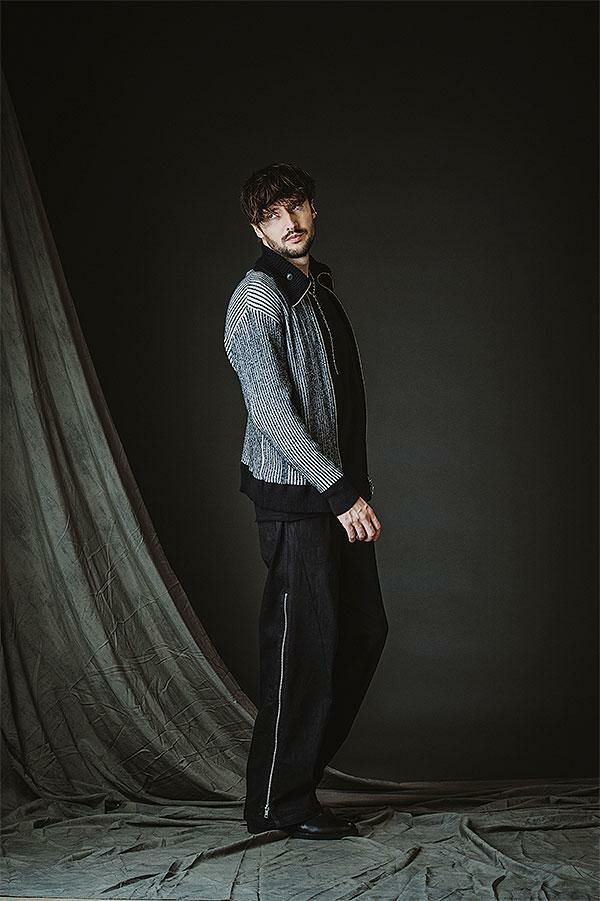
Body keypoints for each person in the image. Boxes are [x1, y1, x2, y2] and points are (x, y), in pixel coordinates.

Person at [223, 162, 388, 839]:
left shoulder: (315, 290)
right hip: (298, 500)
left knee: (361, 634)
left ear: (314, 210)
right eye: (272, 215)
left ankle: (294, 780)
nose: (288, 222)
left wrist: (354, 489)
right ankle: (278, 802)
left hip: (336, 495)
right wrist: (340, 492)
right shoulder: (256, 299)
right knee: (303, 651)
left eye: (295, 207)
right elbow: (273, 414)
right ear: (257, 229)